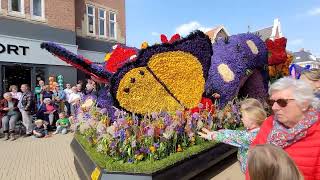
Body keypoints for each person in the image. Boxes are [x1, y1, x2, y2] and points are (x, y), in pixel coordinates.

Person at [248, 77, 320, 180]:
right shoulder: (268, 124)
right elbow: (253, 163)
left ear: (304, 103)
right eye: (271, 102)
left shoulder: (317, 134)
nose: (274, 107)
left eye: (282, 102)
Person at [198, 98, 266, 172]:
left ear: (252, 118)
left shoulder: (254, 136)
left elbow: (235, 137)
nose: (241, 118)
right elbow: (237, 133)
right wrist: (219, 132)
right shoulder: (255, 130)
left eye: (243, 115)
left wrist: (213, 135)